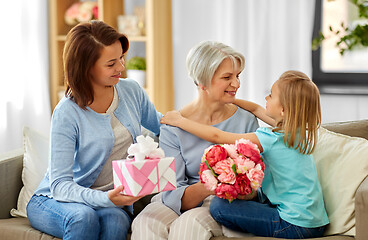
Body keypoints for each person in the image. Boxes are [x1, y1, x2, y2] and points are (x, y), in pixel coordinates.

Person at [26, 21, 162, 240]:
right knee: (83, 218)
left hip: (110, 201)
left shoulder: (131, 91)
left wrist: (204, 124)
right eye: (111, 64)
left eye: (121, 58)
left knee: (115, 221)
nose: (121, 67)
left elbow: (162, 125)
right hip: (55, 200)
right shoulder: (67, 112)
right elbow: (60, 186)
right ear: (86, 67)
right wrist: (106, 198)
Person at [160, 70, 329, 239]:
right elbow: (255, 108)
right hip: (316, 222)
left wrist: (179, 121)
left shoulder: (270, 138)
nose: (266, 99)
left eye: (270, 96)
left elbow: (217, 136)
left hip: (292, 224)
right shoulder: (298, 130)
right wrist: (225, 99)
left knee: (220, 207)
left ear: (283, 110)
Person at [131, 41, 272, 240]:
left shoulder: (245, 120)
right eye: (227, 77)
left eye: (237, 76)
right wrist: (212, 181)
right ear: (202, 81)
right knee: (146, 221)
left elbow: (257, 186)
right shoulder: (174, 126)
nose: (237, 83)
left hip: (223, 203)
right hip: (182, 199)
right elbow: (173, 192)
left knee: (189, 224)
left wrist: (237, 184)